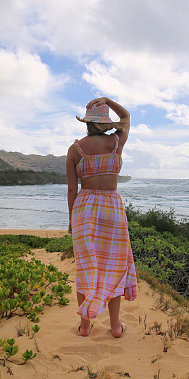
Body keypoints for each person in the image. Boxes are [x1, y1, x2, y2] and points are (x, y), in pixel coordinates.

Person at [66, 97, 137, 338]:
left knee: (85, 267)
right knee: (115, 266)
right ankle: (115, 327)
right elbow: (126, 118)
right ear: (105, 122)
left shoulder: (75, 149)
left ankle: (85, 326)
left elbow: (72, 190)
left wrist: (70, 220)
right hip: (112, 208)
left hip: (84, 208)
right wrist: (108, 100)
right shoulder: (116, 142)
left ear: (86, 122)